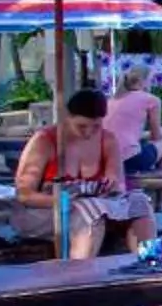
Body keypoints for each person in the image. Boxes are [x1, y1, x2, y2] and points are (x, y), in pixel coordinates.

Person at [14, 88, 152, 260]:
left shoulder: (107, 139)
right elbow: (24, 195)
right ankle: (79, 276)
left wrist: (111, 185)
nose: (88, 132)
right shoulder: (44, 141)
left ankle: (147, 263)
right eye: (81, 126)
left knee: (140, 204)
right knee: (88, 214)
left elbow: (118, 184)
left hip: (94, 206)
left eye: (96, 126)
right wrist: (61, 201)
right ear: (68, 117)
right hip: (45, 211)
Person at [103, 61, 162, 181]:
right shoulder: (152, 100)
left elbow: (126, 133)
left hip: (106, 161)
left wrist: (147, 135)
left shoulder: (111, 101)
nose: (151, 84)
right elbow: (157, 137)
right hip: (130, 160)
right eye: (151, 80)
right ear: (143, 81)